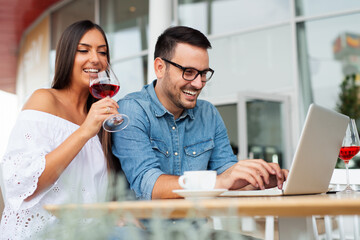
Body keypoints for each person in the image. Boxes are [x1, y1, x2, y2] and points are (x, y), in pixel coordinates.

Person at [112, 26, 288, 200]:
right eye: (188, 72)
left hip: (199, 228)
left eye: (203, 73)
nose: (198, 84)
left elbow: (228, 176)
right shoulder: (131, 111)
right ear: (160, 67)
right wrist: (219, 181)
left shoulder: (208, 114)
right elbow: (148, 184)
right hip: (148, 229)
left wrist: (262, 179)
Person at [0, 20, 122, 239]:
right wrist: (84, 131)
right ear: (66, 56)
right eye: (83, 50)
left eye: (102, 52)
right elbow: (20, 184)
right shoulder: (44, 100)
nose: (95, 58)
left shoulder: (99, 120)